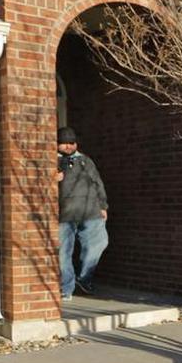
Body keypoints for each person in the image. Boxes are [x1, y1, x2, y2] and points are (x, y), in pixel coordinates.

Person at [56, 126, 108, 299]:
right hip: (65, 215)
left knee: (98, 244)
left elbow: (97, 183)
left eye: (71, 143)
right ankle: (66, 287)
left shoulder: (85, 160)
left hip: (91, 211)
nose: (68, 147)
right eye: (64, 143)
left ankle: (84, 278)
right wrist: (52, 178)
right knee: (63, 253)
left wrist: (103, 206)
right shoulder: (52, 161)